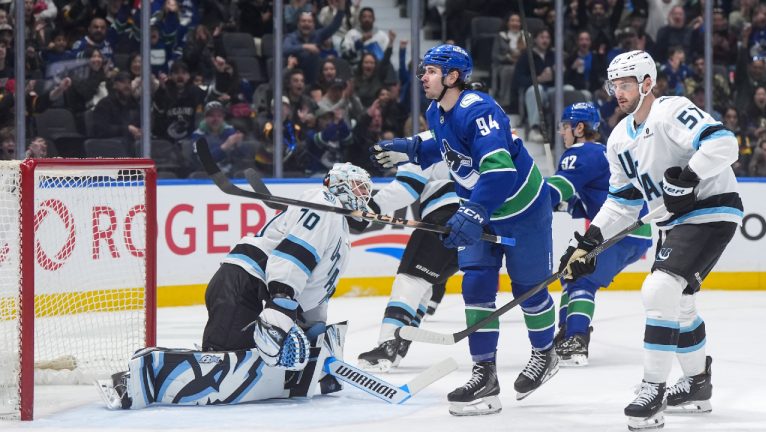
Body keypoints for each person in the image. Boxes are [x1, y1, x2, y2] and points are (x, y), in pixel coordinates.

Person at [371, 44, 559, 416]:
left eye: (430, 71)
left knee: (530, 292)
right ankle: (484, 374)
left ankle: (544, 353)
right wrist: (412, 147)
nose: (423, 77)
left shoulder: (479, 109)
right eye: (423, 70)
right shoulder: (435, 111)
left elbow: (501, 170)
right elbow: (446, 146)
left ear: (453, 76)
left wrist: (472, 211)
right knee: (475, 284)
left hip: (522, 210)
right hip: (483, 208)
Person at [559, 50, 742, 430]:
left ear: (646, 83)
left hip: (709, 211)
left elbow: (725, 144)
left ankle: (652, 389)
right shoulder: (618, 140)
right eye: (614, 85)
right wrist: (589, 242)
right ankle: (696, 384)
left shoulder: (670, 110)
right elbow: (622, 203)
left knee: (659, 291)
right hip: (673, 224)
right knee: (681, 303)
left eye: (625, 84)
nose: (618, 92)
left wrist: (689, 175)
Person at [98, 163, 373, 409]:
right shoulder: (323, 201)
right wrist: (282, 302)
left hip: (262, 289)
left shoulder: (341, 233)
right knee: (219, 366)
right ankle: (136, 377)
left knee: (243, 363)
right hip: (244, 282)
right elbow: (295, 252)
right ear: (337, 184)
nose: (364, 196)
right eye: (359, 187)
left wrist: (314, 330)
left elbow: (317, 286)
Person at [546, 102, 652, 367]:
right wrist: (565, 204)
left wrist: (539, 199)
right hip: (632, 228)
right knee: (571, 272)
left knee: (582, 279)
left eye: (565, 127)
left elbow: (558, 190)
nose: (562, 133)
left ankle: (577, 340)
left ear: (579, 128)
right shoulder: (601, 153)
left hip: (621, 229)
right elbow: (593, 199)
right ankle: (567, 332)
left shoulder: (581, 153)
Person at [357, 162, 459, 372]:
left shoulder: (435, 139)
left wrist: (369, 210)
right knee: (426, 281)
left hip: (446, 214)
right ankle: (400, 344)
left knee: (411, 279)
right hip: (479, 224)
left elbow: (407, 186)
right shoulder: (485, 140)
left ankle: (388, 345)